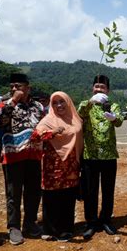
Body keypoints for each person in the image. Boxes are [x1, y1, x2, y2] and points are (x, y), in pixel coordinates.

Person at [0, 73, 45, 245]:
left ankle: (30, 222)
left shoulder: (37, 106)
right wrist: (12, 101)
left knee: (34, 191)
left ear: (28, 87)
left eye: (18, 86)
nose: (14, 89)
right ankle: (14, 227)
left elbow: (44, 125)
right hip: (13, 155)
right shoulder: (4, 103)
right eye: (12, 86)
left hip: (34, 155)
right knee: (13, 193)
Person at [31, 92, 83, 242]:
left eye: (62, 102)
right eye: (55, 103)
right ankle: (50, 229)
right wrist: (52, 133)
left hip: (71, 163)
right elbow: (35, 137)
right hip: (52, 164)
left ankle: (66, 229)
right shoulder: (47, 120)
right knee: (51, 197)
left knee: (68, 196)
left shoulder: (76, 119)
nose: (59, 105)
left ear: (68, 102)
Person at [77, 75, 123, 240]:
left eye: (102, 88)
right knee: (90, 191)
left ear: (108, 90)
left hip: (109, 155)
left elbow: (119, 122)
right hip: (90, 155)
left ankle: (106, 220)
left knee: (108, 189)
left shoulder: (113, 105)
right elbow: (79, 114)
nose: (99, 90)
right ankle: (91, 222)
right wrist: (90, 101)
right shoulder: (86, 105)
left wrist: (114, 117)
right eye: (96, 87)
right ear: (92, 89)